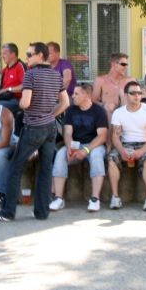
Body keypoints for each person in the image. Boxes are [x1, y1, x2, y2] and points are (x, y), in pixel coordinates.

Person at [0, 42, 69, 222]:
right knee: (45, 169)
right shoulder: (56, 75)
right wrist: (50, 115)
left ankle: (7, 212)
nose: (26, 58)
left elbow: (25, 103)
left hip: (33, 127)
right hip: (50, 128)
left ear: (40, 55)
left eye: (29, 54)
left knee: (15, 167)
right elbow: (65, 103)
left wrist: (20, 104)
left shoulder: (31, 74)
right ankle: (41, 212)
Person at [49, 83, 108, 212]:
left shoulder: (99, 111)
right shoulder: (71, 110)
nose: (72, 96)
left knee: (96, 156)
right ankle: (58, 198)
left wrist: (86, 150)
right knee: (61, 155)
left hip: (94, 145)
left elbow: (102, 136)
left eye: (76, 94)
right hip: (76, 145)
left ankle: (95, 199)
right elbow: (67, 132)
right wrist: (69, 146)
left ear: (87, 95)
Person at [106, 81, 146, 211]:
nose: (137, 96)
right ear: (125, 95)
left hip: (145, 144)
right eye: (133, 93)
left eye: (139, 93)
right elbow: (115, 136)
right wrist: (121, 151)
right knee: (112, 158)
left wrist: (141, 151)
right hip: (125, 144)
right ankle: (115, 197)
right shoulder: (119, 112)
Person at [92, 52, 134, 116]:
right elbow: (93, 101)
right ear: (113, 64)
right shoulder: (100, 80)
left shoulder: (130, 81)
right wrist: (104, 105)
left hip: (126, 114)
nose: (126, 67)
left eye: (126, 65)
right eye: (123, 64)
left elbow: (138, 97)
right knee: (108, 110)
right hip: (108, 114)